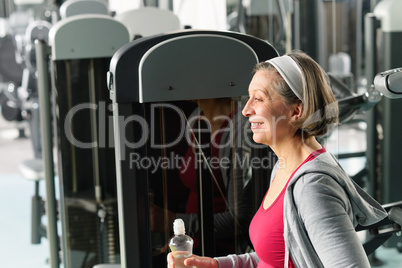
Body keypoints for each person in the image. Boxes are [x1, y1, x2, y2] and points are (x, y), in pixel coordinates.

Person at [167, 50, 388, 267]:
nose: (245, 110)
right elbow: (273, 257)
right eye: (248, 97)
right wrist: (215, 265)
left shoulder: (312, 187)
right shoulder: (284, 168)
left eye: (259, 99)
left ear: (296, 111)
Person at [150, 97, 262, 256]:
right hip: (194, 245)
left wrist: (171, 221)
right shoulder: (196, 118)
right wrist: (181, 237)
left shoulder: (241, 128)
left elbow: (240, 218)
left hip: (223, 253)